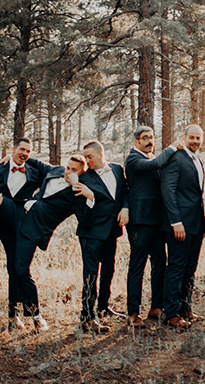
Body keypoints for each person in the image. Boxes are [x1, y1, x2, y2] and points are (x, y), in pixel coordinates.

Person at [0, 138, 48, 331]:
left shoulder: (35, 174)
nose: (24, 153)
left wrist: (35, 203)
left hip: (14, 227)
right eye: (21, 149)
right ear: (13, 149)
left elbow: (50, 178)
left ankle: (13, 317)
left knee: (15, 271)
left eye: (28, 151)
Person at [14, 154, 95, 331]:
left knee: (20, 270)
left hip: (34, 230)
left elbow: (85, 220)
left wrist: (88, 196)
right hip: (17, 216)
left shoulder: (77, 194)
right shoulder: (55, 170)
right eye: (68, 168)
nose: (68, 172)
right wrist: (12, 157)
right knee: (14, 268)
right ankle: (13, 315)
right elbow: (34, 162)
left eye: (74, 171)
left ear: (81, 173)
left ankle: (36, 316)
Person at [123, 126, 180, 328]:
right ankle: (133, 312)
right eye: (145, 138)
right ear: (136, 141)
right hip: (140, 222)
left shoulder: (150, 157)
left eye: (152, 138)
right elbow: (156, 164)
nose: (149, 141)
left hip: (157, 221)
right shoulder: (133, 159)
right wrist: (173, 147)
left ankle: (156, 307)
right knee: (137, 266)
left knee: (159, 263)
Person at [77, 141, 129, 333]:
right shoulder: (83, 179)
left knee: (109, 269)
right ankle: (87, 317)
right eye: (85, 157)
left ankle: (103, 307)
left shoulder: (117, 169)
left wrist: (125, 207)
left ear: (101, 154)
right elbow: (82, 209)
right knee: (90, 274)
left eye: (89, 156)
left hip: (111, 231)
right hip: (90, 233)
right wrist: (91, 198)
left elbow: (125, 192)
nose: (86, 160)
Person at [160, 125, 205, 328]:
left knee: (190, 268)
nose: (195, 141)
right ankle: (171, 314)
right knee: (177, 268)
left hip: (196, 223)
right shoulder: (176, 158)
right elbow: (168, 190)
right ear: (184, 138)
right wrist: (176, 222)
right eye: (192, 137)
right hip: (179, 224)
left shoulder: (197, 159)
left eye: (198, 137)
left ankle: (185, 308)